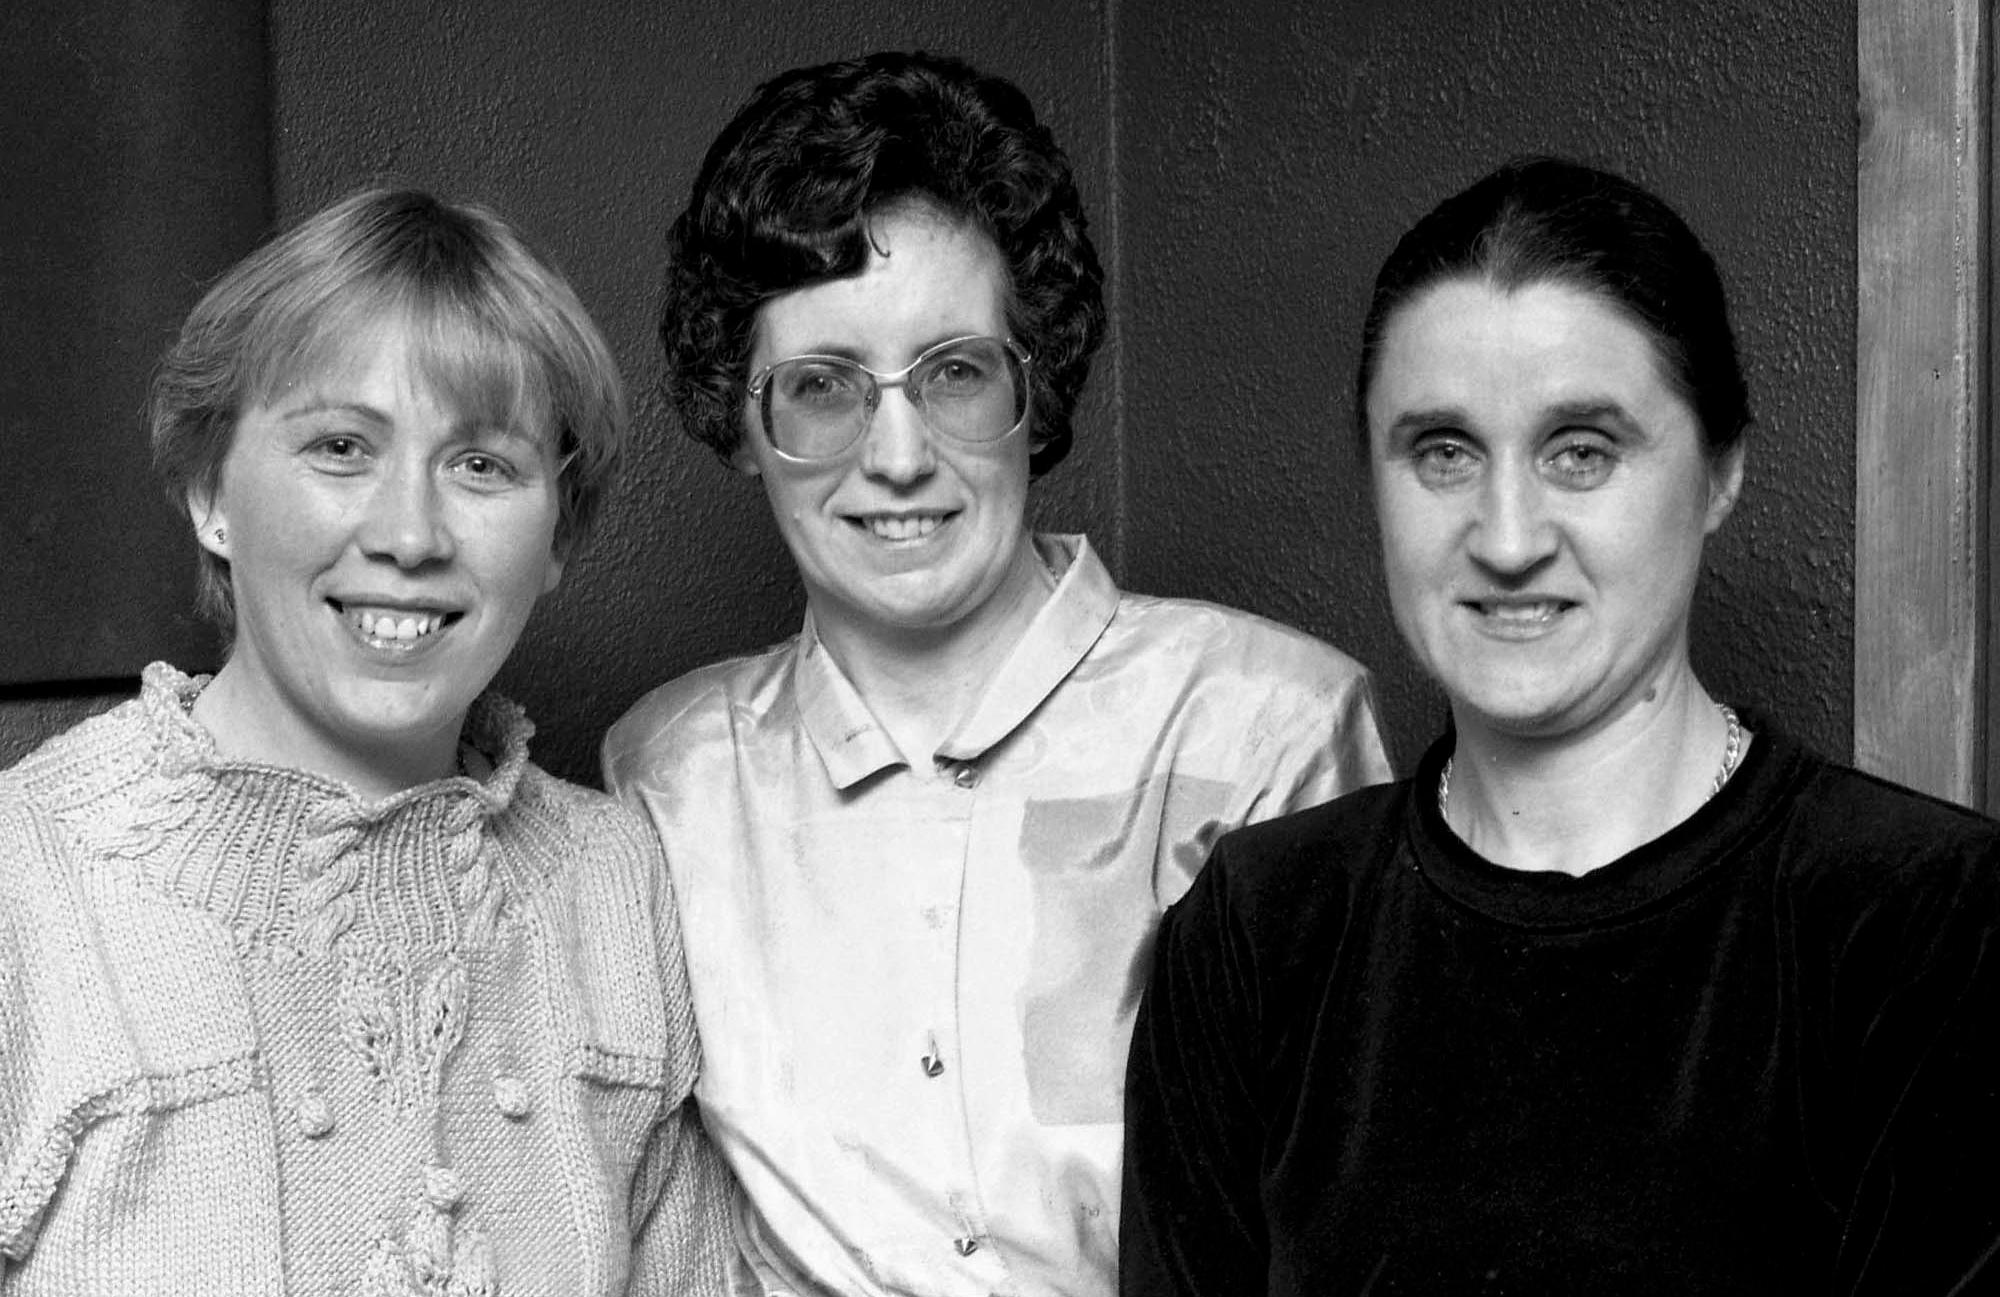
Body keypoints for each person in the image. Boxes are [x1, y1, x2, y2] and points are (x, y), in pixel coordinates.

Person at [1120, 155, 2000, 1293]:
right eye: (1443, 453)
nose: (1506, 537)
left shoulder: (1930, 924)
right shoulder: (1255, 931)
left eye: (1580, 451)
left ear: (1720, 470)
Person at [602, 50, 1391, 1297]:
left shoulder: (1268, 729)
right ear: (739, 421)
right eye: (821, 388)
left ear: (1036, 387)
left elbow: (1358, 1218)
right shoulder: (669, 774)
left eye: (955, 373)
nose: (897, 455)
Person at [0, 190, 733, 1294]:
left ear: (557, 535)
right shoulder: (28, 880)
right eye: (341, 447)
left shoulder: (619, 886)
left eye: (481, 464)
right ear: (209, 491)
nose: (409, 534)